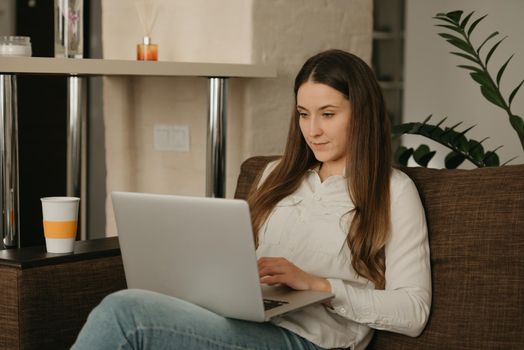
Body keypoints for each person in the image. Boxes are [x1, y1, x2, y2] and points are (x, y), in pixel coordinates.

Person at [72, 49, 431, 350]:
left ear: (362, 113)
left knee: (126, 313)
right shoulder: (276, 175)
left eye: (328, 114)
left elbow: (413, 311)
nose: (313, 130)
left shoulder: (393, 190)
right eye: (304, 115)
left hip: (309, 340)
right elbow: (242, 264)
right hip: (245, 321)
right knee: (135, 306)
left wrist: (320, 285)